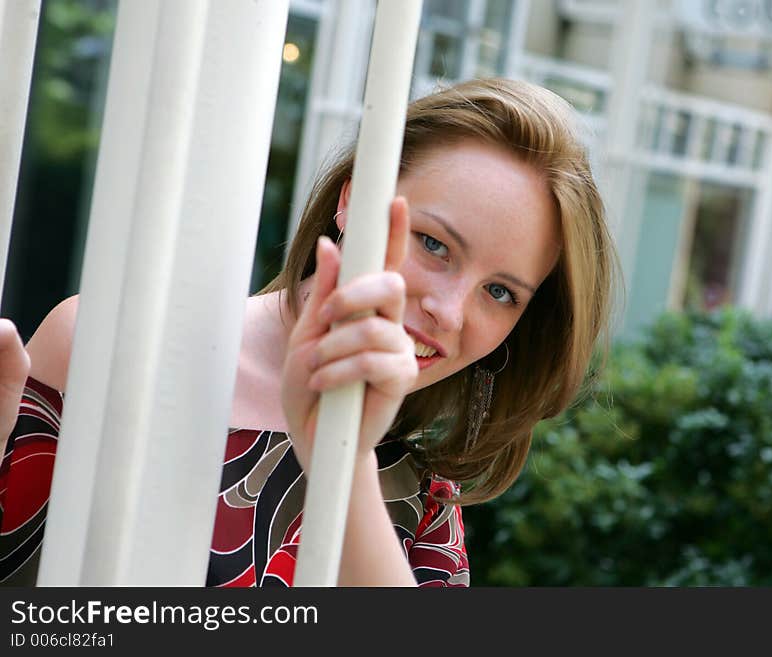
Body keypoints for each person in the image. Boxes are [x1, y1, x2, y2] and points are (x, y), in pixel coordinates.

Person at [0, 78, 616, 586]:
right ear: (351, 201)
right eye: (434, 244)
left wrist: (339, 461)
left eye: (501, 293)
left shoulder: (420, 508)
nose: (450, 313)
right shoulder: (108, 343)